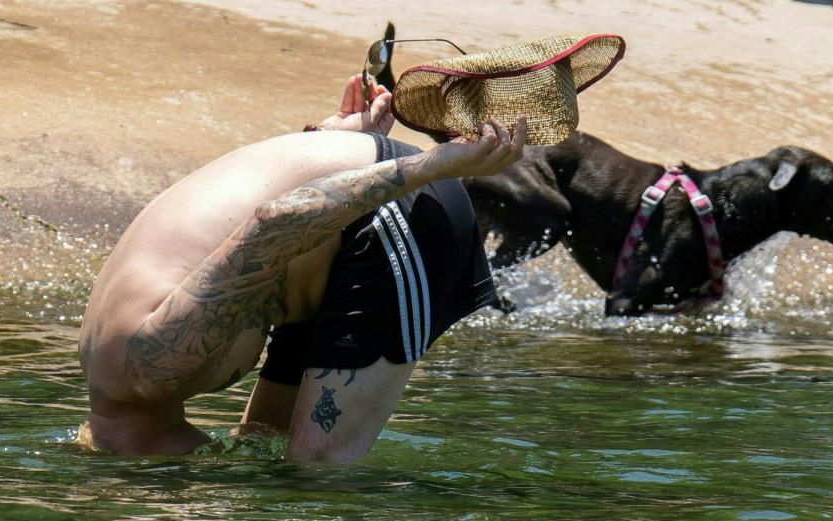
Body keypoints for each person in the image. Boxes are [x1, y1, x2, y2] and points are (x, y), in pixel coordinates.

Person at [77, 75, 526, 460]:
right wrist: (327, 139)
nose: (202, 463)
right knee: (262, 445)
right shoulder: (110, 370)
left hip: (390, 210)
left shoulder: (159, 365)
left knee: (316, 469)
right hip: (307, 245)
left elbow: (276, 221)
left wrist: (432, 165)